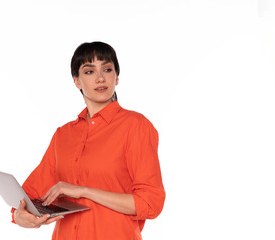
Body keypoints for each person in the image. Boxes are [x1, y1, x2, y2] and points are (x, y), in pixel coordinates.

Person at [12, 41, 165, 239]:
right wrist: (19, 215)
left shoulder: (135, 126)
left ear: (116, 77)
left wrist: (83, 191)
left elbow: (151, 203)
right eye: (89, 71)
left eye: (107, 69)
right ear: (77, 81)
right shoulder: (63, 135)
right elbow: (31, 193)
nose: (100, 78)